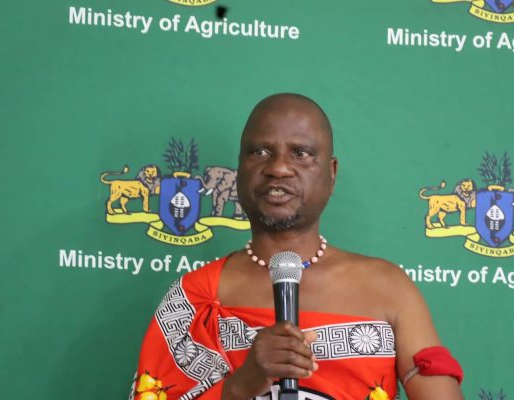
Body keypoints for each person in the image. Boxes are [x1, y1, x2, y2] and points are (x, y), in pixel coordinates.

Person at [130, 94, 464, 400]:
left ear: (331, 174)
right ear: (239, 170)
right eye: (260, 152)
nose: (278, 168)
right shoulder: (195, 297)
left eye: (301, 153)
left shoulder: (389, 288)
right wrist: (239, 386)